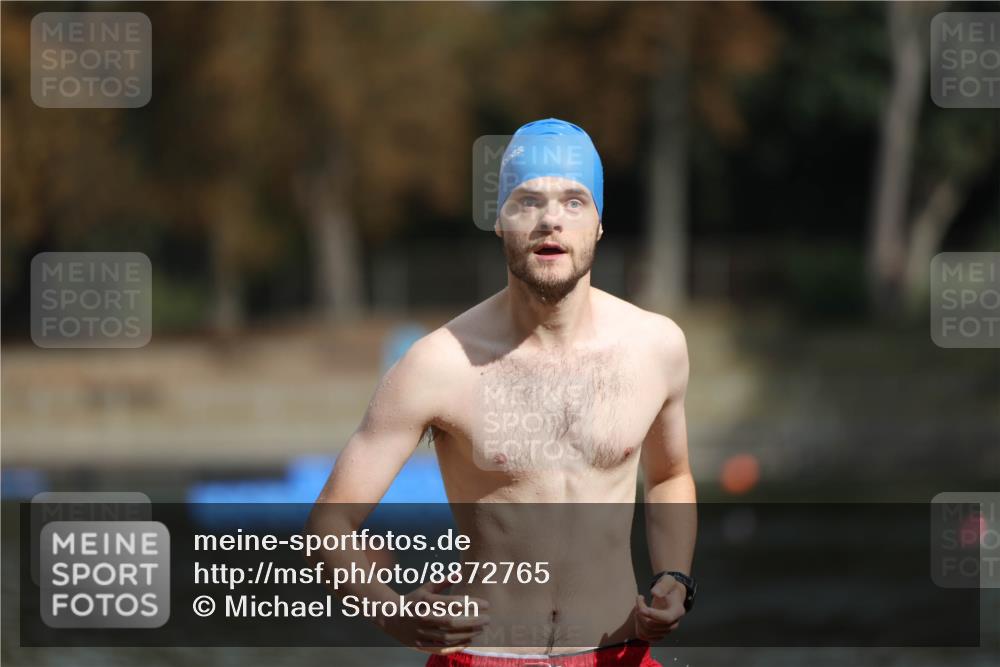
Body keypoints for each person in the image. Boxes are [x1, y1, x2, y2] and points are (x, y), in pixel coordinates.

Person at [306, 118, 697, 667]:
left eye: (574, 201)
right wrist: (392, 612)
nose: (550, 220)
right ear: (498, 221)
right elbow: (329, 523)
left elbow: (669, 476)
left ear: (600, 224)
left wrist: (675, 577)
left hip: (618, 655)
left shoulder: (656, 347)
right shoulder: (437, 365)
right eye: (527, 200)